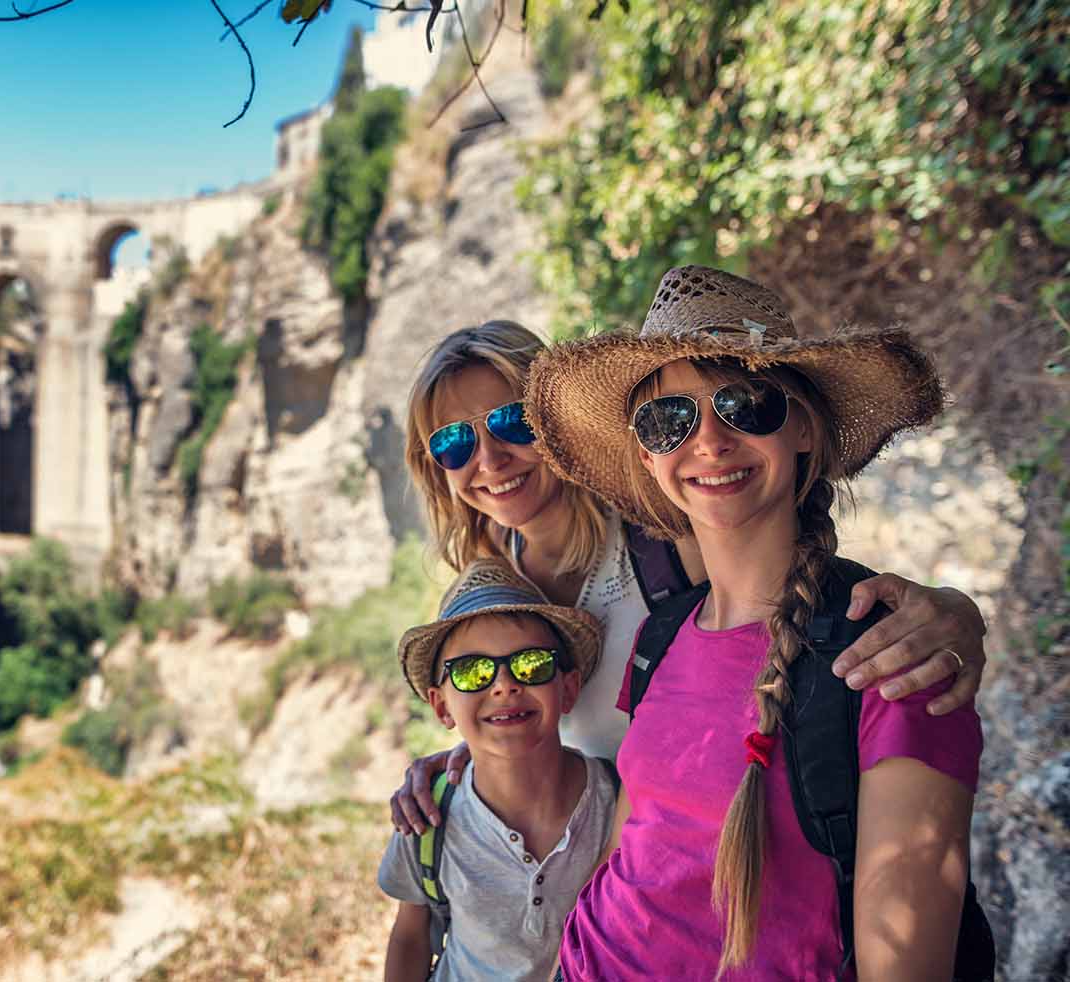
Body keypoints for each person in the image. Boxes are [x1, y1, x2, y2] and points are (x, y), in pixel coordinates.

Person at [526, 265, 982, 979]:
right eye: (669, 419)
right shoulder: (661, 632)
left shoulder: (891, 656)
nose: (708, 440)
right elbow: (637, 839)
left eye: (745, 405)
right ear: (648, 457)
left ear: (803, 426)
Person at [390, 319, 989, 835]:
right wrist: (464, 755)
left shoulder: (665, 540)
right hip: (599, 872)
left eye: (512, 422)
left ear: (558, 425)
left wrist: (955, 611)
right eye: (453, 442)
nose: (489, 460)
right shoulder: (490, 587)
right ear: (433, 466)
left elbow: (802, 580)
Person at [378, 559, 615, 982]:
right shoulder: (428, 816)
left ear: (568, 689)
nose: (504, 684)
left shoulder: (617, 803)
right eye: (473, 672)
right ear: (441, 706)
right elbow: (410, 938)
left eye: (531, 664)